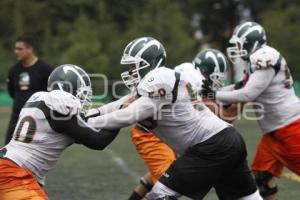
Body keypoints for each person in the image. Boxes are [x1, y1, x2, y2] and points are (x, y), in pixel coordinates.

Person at [87, 37, 262, 200]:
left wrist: (89, 124)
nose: (130, 71)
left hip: (210, 145)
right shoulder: (157, 81)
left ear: (150, 64)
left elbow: (128, 115)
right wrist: (92, 113)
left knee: (159, 195)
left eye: (134, 66)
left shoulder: (160, 78)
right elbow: (123, 102)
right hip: (226, 140)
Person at [202, 21, 300, 200]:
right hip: (273, 132)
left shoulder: (263, 57)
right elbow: (240, 86)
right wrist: (211, 93)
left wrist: (214, 95)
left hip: (290, 128)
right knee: (262, 176)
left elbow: (248, 94)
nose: (237, 48)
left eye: (240, 44)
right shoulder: (257, 59)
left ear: (251, 42)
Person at [0, 64, 120, 200]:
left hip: (8, 165)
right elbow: (98, 141)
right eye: (82, 92)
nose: (84, 98)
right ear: (67, 89)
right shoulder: (61, 109)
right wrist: (123, 117)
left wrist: (121, 105)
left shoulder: (40, 99)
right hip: (14, 174)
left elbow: (85, 120)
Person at [5, 36, 53, 144]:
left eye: (19, 49)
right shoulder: (13, 71)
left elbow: (52, 93)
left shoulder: (45, 69)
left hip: (38, 120)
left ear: (30, 49)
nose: (16, 51)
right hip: (16, 118)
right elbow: (12, 93)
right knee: (7, 151)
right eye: (15, 49)